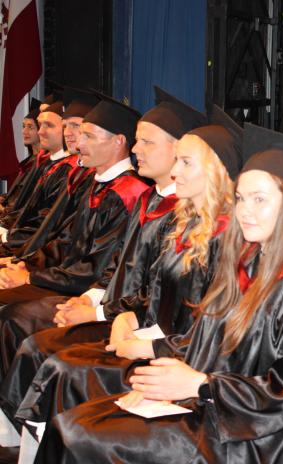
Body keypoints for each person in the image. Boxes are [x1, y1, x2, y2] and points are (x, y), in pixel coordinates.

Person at [32, 123, 283, 464]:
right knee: (76, 424)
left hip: (257, 440)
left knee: (79, 436)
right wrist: (167, 390)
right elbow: (212, 343)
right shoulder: (255, 260)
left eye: (260, 199)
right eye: (240, 198)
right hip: (218, 409)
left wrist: (198, 386)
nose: (245, 211)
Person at [0, 89, 210, 429]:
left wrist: (97, 311)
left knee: (41, 347)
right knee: (32, 339)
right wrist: (88, 299)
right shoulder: (149, 201)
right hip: (114, 310)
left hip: (143, 331)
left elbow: (160, 300)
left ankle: (28, 436)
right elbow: (115, 267)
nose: (136, 150)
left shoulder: (185, 220)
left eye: (147, 142)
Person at [0, 96, 149, 378]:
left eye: (87, 136)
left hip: (86, 291)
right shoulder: (97, 184)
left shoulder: (130, 193)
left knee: (12, 316)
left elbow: (94, 269)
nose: (78, 143)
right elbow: (66, 242)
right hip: (67, 281)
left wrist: (31, 277)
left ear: (118, 141)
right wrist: (24, 265)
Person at [0, 88, 100, 256]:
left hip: (48, 258)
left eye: (75, 126)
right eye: (65, 126)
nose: (40, 131)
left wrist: (27, 261)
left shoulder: (77, 172)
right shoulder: (66, 169)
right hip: (36, 252)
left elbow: (53, 227)